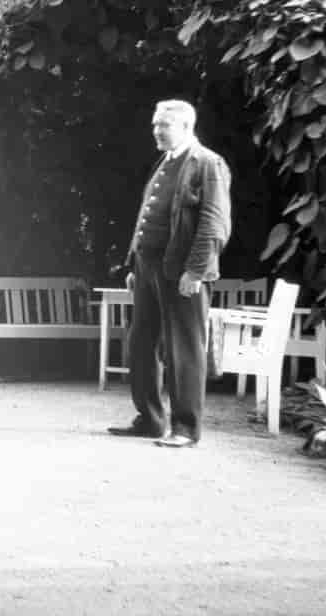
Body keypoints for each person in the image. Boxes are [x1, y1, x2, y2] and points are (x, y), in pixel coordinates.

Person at [107, 100, 232, 448]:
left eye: (165, 125)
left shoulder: (208, 163)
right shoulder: (167, 161)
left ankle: (185, 428)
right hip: (148, 269)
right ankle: (150, 419)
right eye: (155, 125)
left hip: (181, 271)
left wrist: (195, 271)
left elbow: (214, 223)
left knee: (184, 350)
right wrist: (134, 263)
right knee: (141, 344)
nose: (157, 132)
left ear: (187, 126)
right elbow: (147, 217)